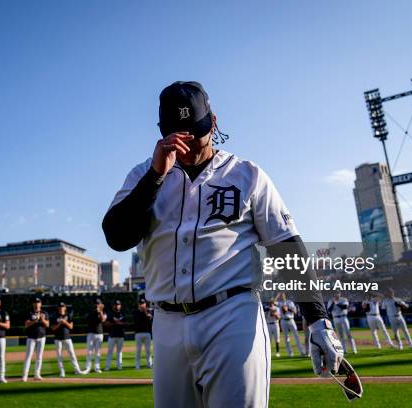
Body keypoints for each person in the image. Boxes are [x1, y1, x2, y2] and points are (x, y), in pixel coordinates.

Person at [102, 81, 344, 407]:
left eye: (198, 133)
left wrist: (318, 320)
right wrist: (156, 176)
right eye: (180, 137)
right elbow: (117, 237)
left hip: (231, 316)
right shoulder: (143, 174)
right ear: (163, 133)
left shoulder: (247, 175)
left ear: (214, 122)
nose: (191, 145)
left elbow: (286, 246)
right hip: (167, 322)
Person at [51, 302, 84, 377]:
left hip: (67, 338)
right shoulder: (54, 316)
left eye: (62, 307)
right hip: (58, 338)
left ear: (65, 308)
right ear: (58, 308)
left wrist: (64, 322)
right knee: (59, 356)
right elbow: (53, 328)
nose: (61, 308)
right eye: (59, 307)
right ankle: (62, 371)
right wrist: (59, 323)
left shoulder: (68, 315)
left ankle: (77, 370)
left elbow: (71, 327)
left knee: (72, 354)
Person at [22, 298, 49, 381]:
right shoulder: (29, 313)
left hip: (42, 337)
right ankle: (25, 375)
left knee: (39, 357)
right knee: (28, 356)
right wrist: (35, 320)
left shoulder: (44, 313)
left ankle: (37, 374)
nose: (37, 304)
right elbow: (26, 324)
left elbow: (47, 325)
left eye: (38, 303)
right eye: (35, 303)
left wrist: (42, 319)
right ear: (33, 304)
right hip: (31, 337)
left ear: (40, 304)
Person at [276, 293, 306, 357]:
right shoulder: (279, 303)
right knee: (286, 338)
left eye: (282, 295)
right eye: (280, 296)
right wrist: (277, 296)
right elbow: (273, 303)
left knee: (296, 336)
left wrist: (288, 309)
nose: (281, 296)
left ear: (285, 296)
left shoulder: (289, 302)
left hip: (291, 319)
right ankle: (290, 353)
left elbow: (295, 311)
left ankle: (301, 351)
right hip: (283, 320)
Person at [83, 299, 107, 374]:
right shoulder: (90, 312)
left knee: (98, 352)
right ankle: (88, 368)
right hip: (91, 333)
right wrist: (97, 311)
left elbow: (103, 319)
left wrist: (100, 311)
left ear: (100, 304)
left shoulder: (102, 312)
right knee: (89, 352)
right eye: (96, 304)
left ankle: (97, 368)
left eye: (98, 304)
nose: (97, 305)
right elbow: (87, 319)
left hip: (99, 334)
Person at [104, 300, 125, 371]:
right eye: (116, 304)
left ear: (120, 305)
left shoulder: (122, 313)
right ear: (114, 306)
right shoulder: (110, 313)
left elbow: (125, 323)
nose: (117, 306)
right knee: (110, 352)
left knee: (119, 352)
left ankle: (119, 366)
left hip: (120, 335)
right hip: (112, 335)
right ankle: (107, 367)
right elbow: (106, 323)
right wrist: (115, 323)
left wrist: (116, 322)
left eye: (118, 304)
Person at [134, 299, 154, 369]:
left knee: (148, 350)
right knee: (138, 350)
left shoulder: (148, 311)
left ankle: (149, 364)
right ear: (138, 304)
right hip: (138, 333)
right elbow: (136, 320)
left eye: (143, 303)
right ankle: (137, 365)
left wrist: (145, 310)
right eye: (141, 303)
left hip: (147, 333)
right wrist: (141, 310)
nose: (142, 304)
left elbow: (150, 318)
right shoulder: (136, 312)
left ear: (145, 304)